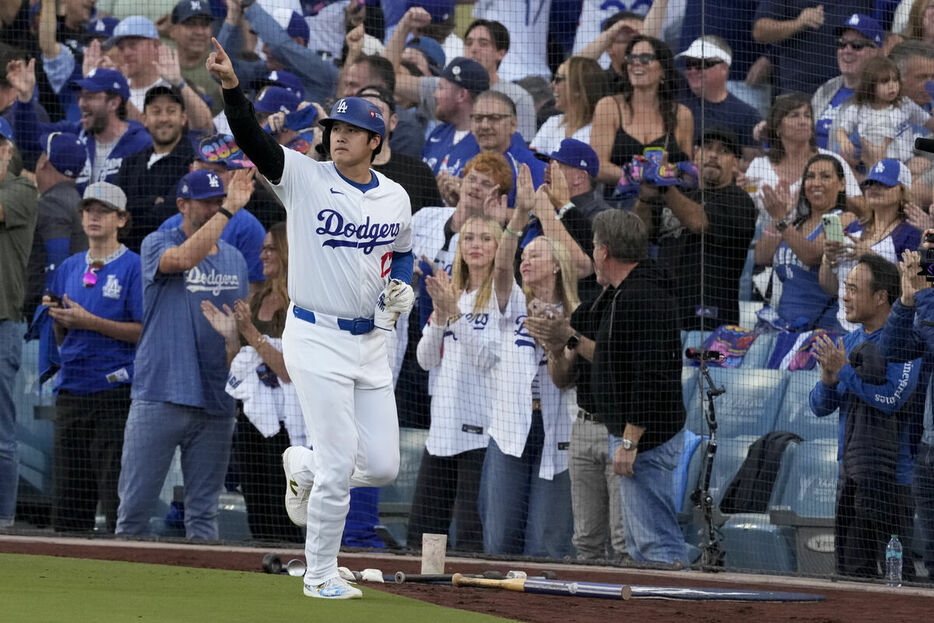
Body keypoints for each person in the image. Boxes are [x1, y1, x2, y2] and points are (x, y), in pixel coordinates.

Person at [209, 38, 415, 599]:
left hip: (370, 341)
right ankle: (320, 574)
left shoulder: (395, 197)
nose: (338, 135)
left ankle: (301, 462)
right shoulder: (303, 175)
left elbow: (402, 252)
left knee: (380, 467)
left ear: (375, 141)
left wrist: (403, 284)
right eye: (334, 128)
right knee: (340, 462)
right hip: (314, 335)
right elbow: (251, 138)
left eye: (350, 130)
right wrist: (232, 87)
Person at [115, 168, 252, 540]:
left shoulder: (235, 260)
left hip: (216, 400)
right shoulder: (156, 243)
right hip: (161, 392)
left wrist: (231, 340)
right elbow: (181, 261)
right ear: (181, 204)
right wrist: (228, 211)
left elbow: (238, 334)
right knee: (134, 513)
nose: (212, 208)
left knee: (204, 517)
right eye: (204, 202)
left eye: (216, 200)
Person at [562, 208, 686, 564]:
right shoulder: (626, 292)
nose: (593, 255)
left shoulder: (641, 297)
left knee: (653, 544)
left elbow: (652, 374)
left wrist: (630, 440)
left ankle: (674, 606)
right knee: (639, 543)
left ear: (603, 252)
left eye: (594, 247)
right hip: (640, 436)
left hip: (646, 439)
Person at [480, 179, 577, 558]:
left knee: (546, 542)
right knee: (500, 537)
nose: (525, 260)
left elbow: (568, 376)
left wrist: (559, 338)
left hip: (558, 430)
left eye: (535, 255)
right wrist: (518, 219)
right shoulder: (514, 305)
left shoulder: (576, 313)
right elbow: (502, 266)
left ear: (556, 264)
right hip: (509, 428)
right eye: (525, 256)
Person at [810, 253, 921, 579]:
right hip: (851, 478)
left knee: (897, 576)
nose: (845, 296)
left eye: (854, 289)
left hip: (893, 483)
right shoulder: (849, 341)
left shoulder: (905, 344)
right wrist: (829, 382)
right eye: (845, 287)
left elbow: (890, 399)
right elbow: (818, 407)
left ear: (881, 297)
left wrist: (845, 373)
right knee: (851, 574)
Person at [43, 181, 143, 533]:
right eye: (89, 210)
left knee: (114, 488)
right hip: (72, 388)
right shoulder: (70, 266)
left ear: (121, 219)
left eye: (103, 211)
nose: (94, 217)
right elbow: (63, 333)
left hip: (114, 391)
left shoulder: (133, 266)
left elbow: (142, 330)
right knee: (69, 494)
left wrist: (90, 321)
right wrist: (61, 317)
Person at [202, 221, 304, 543]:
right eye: (262, 248)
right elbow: (239, 368)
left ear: (288, 251)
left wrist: (250, 334)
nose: (262, 254)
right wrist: (232, 338)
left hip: (291, 425)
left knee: (284, 509)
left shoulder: (304, 304)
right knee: (257, 505)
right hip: (253, 420)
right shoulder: (256, 300)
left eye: (270, 247)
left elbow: (290, 372)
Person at [408, 216, 504, 552]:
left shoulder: (502, 298)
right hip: (442, 430)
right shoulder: (453, 293)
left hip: (481, 432)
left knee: (469, 534)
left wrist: (455, 315)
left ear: (499, 247)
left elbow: (487, 359)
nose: (476, 245)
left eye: (486, 239)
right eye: (469, 239)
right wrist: (440, 314)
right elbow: (425, 359)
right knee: (423, 531)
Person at [642, 127, 757, 331]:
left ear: (735, 164)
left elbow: (698, 223)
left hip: (713, 322)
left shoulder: (740, 201)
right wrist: (645, 194)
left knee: (711, 361)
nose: (713, 155)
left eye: (723, 151)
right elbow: (643, 230)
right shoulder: (680, 194)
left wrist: (664, 184)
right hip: (667, 314)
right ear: (695, 156)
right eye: (707, 147)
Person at [9, 61, 151, 192]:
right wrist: (25, 100)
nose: (81, 103)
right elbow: (28, 139)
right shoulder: (73, 133)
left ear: (114, 103)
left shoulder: (141, 144)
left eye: (90, 97)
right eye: (80, 97)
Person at [882, 240, 934, 578]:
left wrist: (925, 294)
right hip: (929, 449)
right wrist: (905, 301)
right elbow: (894, 349)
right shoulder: (929, 308)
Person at [590, 35, 694, 206]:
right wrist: (639, 176)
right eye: (632, 58)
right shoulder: (608, 106)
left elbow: (686, 172)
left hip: (666, 205)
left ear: (663, 70)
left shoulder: (682, 114)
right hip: (616, 204)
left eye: (646, 58)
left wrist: (666, 174)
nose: (637, 63)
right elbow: (598, 166)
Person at [821, 159, 921, 332]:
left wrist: (873, 257)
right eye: (870, 184)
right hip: (842, 327)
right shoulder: (853, 228)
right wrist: (828, 259)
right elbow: (831, 288)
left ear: (902, 191)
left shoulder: (911, 233)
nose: (874, 189)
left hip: (885, 332)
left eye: (884, 184)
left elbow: (916, 284)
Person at [755, 154, 849, 333]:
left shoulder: (845, 218)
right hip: (781, 327)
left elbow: (811, 255)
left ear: (842, 184)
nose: (816, 183)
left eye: (825, 176)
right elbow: (761, 256)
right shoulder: (795, 223)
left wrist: (781, 219)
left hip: (818, 331)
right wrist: (782, 217)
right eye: (810, 176)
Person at [744, 93, 862, 227]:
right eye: (794, 116)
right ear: (778, 127)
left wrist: (830, 192)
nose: (803, 121)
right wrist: (740, 191)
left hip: (823, 239)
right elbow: (746, 209)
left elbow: (862, 209)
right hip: (770, 240)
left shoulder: (833, 161)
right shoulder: (759, 165)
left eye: (807, 116)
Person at [0, 118, 38, 528]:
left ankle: (4, 524)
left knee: (0, 434)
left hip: (3, 322)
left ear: (8, 150)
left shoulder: (23, 188)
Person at [113, 85, 196, 253]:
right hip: (129, 257)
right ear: (144, 118)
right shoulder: (130, 163)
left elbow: (168, 215)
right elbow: (114, 211)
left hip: (174, 255)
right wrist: (153, 201)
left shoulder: (193, 161)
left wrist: (132, 209)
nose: (163, 118)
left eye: (171, 111)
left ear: (183, 118)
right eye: (156, 112)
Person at [217, 0, 338, 106]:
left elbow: (279, 46)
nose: (263, 49)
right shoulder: (264, 70)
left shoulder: (321, 71)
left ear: (298, 42)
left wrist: (249, 5)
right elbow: (220, 70)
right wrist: (232, 17)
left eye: (267, 42)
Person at [437, 90, 546, 206]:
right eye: (478, 119)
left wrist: (475, 204)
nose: (484, 126)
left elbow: (537, 218)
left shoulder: (531, 165)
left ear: (513, 124)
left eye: (494, 118)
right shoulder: (464, 161)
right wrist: (456, 202)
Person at [24, 132, 88, 321]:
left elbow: (57, 258)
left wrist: (50, 306)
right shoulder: (74, 199)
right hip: (70, 303)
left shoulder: (53, 203)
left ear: (44, 162)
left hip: (52, 311)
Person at [110, 15, 213, 131]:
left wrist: (180, 83)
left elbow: (206, 129)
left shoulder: (178, 86)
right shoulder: (113, 91)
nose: (126, 53)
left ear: (155, 45)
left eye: (132, 45)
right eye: (121, 48)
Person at [753, 1, 876, 96]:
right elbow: (760, 31)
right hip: (800, 91)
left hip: (851, 88)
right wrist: (798, 23)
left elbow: (883, 28)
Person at [357, 84, 443, 214]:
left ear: (393, 121)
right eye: (361, 110)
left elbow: (436, 222)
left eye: (377, 110)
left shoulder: (418, 172)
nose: (369, 116)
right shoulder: (337, 166)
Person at [837, 56, 934, 170]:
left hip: (907, 161)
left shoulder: (905, 104)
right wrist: (844, 140)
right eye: (884, 81)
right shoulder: (858, 109)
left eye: (895, 80)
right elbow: (841, 130)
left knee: (923, 165)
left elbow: (928, 123)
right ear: (870, 85)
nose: (891, 85)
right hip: (880, 165)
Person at [675, 36, 762, 159]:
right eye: (689, 64)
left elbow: (752, 166)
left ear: (723, 68)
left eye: (701, 65)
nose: (692, 70)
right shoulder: (675, 91)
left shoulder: (747, 115)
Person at [811, 13, 884, 152]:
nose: (846, 51)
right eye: (842, 44)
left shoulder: (881, 96)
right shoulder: (827, 88)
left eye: (856, 45)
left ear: (877, 52)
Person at [419, 57, 489, 176]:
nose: (435, 94)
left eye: (441, 88)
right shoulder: (438, 133)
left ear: (461, 95)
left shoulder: (485, 141)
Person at [531, 56, 608, 156]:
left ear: (577, 88)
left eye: (558, 79)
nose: (552, 85)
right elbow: (532, 160)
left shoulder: (599, 130)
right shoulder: (552, 123)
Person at [169, 0, 224, 116]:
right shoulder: (162, 66)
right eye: (191, 24)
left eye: (204, 25)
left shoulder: (221, 66)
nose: (199, 32)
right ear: (173, 31)